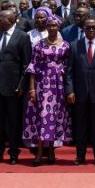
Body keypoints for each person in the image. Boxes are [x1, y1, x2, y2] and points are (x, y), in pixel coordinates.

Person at [23, 15, 73, 166]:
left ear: (58, 27)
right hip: (42, 85)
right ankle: (39, 153)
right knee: (42, 117)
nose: (52, 28)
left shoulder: (65, 45)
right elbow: (32, 67)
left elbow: (69, 68)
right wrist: (31, 88)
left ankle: (51, 151)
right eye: (49, 25)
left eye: (54, 25)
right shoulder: (39, 45)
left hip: (59, 85)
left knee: (55, 117)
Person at [0, 10, 32, 164]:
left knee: (13, 122)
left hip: (14, 88)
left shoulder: (23, 36)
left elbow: (26, 64)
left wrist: (21, 85)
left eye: (1, 18)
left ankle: (13, 153)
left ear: (11, 19)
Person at [67, 17, 95, 165]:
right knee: (80, 127)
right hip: (79, 94)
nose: (91, 30)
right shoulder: (74, 46)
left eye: (94, 28)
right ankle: (80, 157)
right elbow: (69, 72)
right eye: (88, 28)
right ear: (84, 30)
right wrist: (70, 91)